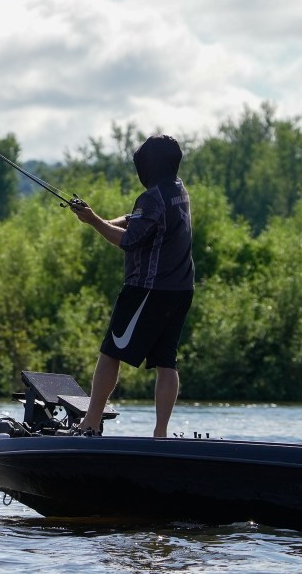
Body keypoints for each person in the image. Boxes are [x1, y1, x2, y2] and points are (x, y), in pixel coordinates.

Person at [69, 134, 194, 438]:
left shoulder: (151, 197)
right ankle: (160, 434)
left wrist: (94, 221)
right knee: (166, 361)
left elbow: (129, 240)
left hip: (148, 289)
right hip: (181, 289)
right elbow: (138, 221)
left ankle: (90, 422)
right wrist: (97, 218)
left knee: (111, 352)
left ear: (149, 166)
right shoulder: (178, 189)